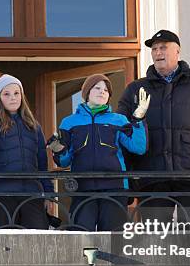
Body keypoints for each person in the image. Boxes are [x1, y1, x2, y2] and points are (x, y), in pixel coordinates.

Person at [117, 30, 190, 224]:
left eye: (163, 47)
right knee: (154, 243)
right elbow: (122, 132)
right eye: (154, 49)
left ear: (177, 51)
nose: (157, 52)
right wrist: (128, 175)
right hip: (151, 178)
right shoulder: (135, 89)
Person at [47, 74, 147, 231]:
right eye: (97, 88)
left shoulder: (118, 120)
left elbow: (138, 147)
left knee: (112, 240)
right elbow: (64, 161)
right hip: (82, 188)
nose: (102, 92)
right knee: (81, 238)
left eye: (106, 90)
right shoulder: (69, 122)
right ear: (87, 92)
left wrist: (138, 119)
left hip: (115, 187)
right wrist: (58, 149)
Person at [0, 74, 53, 229]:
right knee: (7, 243)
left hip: (32, 192)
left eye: (16, 93)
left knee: (37, 242)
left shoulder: (34, 126)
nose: (13, 98)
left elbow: (42, 162)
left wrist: (48, 192)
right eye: (6, 94)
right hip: (2, 192)